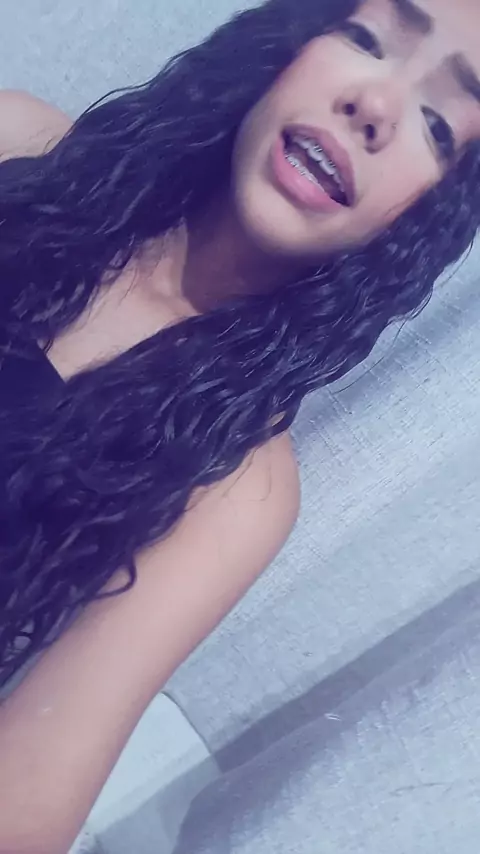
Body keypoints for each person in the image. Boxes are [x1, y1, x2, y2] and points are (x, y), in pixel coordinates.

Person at [0, 0, 479, 850]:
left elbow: (27, 798)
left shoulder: (236, 486)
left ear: (426, 219)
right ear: (290, 39)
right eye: (367, 39)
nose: (374, 104)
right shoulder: (14, 146)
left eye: (436, 126)